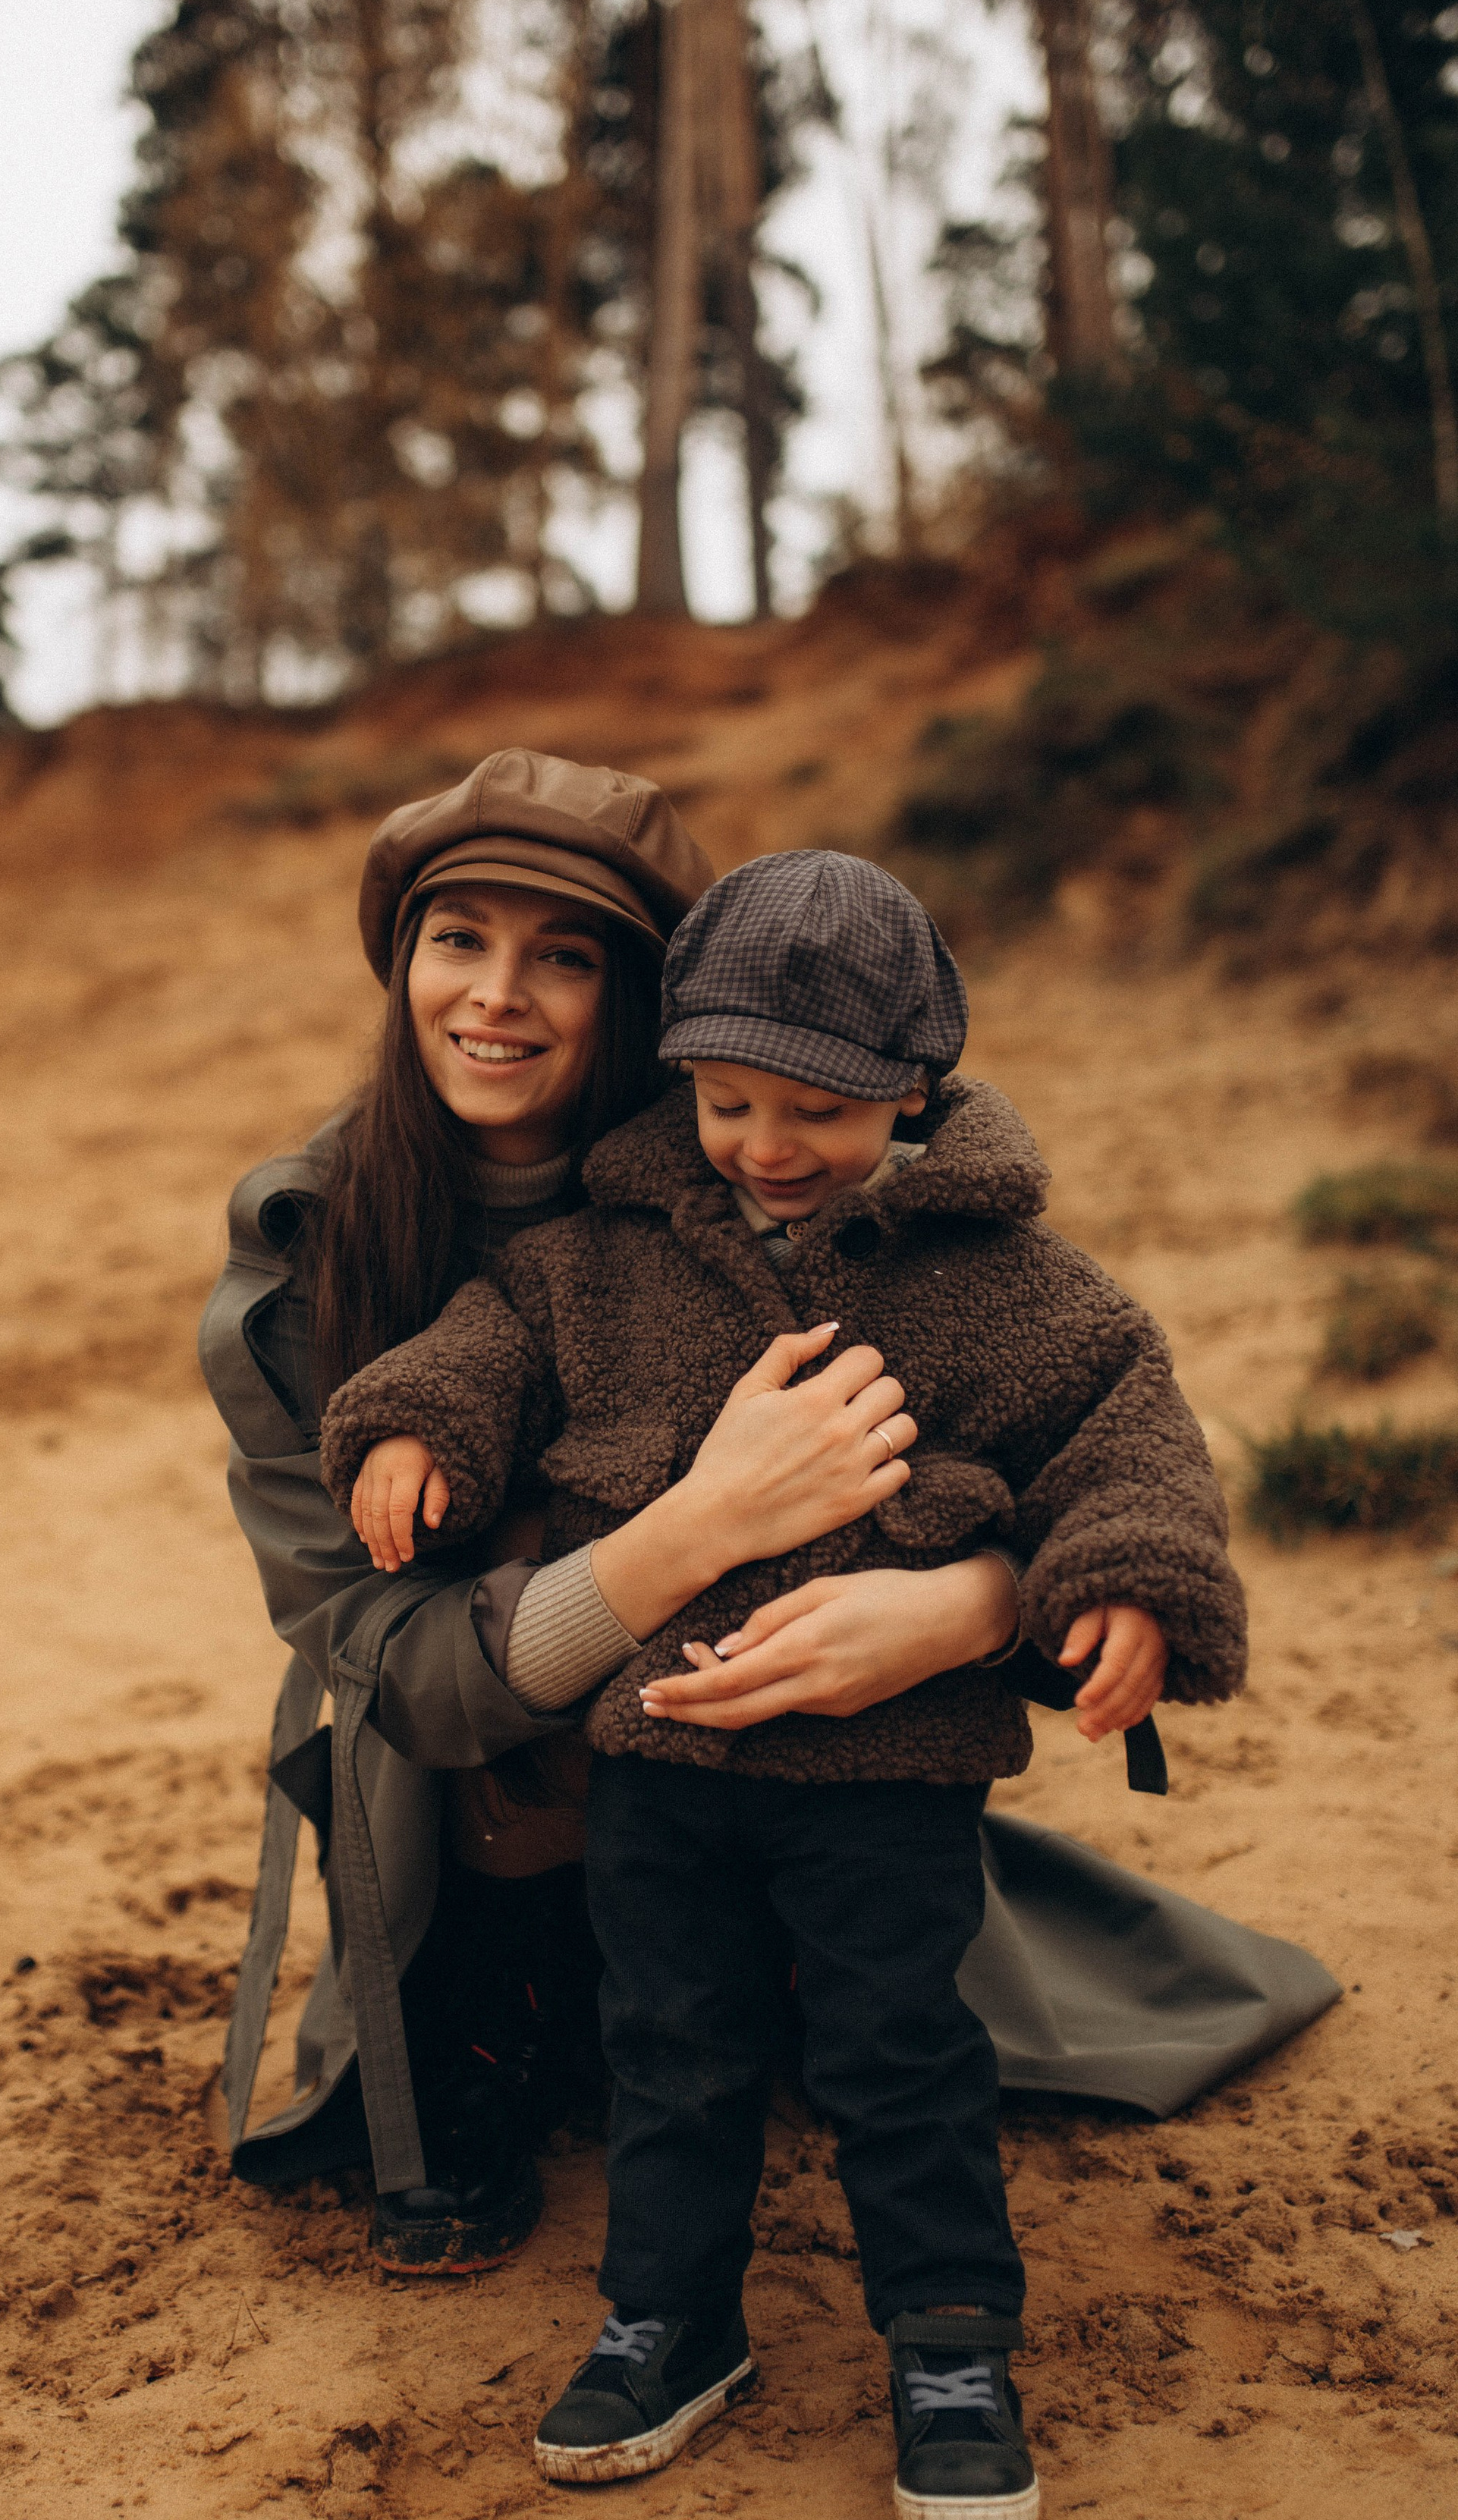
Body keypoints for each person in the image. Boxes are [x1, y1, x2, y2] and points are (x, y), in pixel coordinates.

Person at [200, 754, 1337, 2286]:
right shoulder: (318, 1247)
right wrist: (698, 1520)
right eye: (455, 937)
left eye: (566, 954)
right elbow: (391, 1653)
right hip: (492, 1780)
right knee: (600, 1996)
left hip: (804, 1740)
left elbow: (1070, 1420)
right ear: (398, 957)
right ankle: (490, 2035)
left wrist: (976, 1604)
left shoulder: (818, 1187)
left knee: (867, 2006)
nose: (497, 996)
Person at [322, 848, 1251, 2520]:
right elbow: (481, 1345)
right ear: (678, 1071)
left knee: (899, 2050)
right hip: (659, 1761)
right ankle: (665, 2320)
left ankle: (950, 2344)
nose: (761, 1146)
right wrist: (412, 1426)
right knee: (669, 2045)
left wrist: (1122, 1583)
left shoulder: (1008, 1283)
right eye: (727, 1099)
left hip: (887, 1775)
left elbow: (1122, 1433)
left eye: (814, 1111)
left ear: (912, 1088)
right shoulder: (595, 1255)